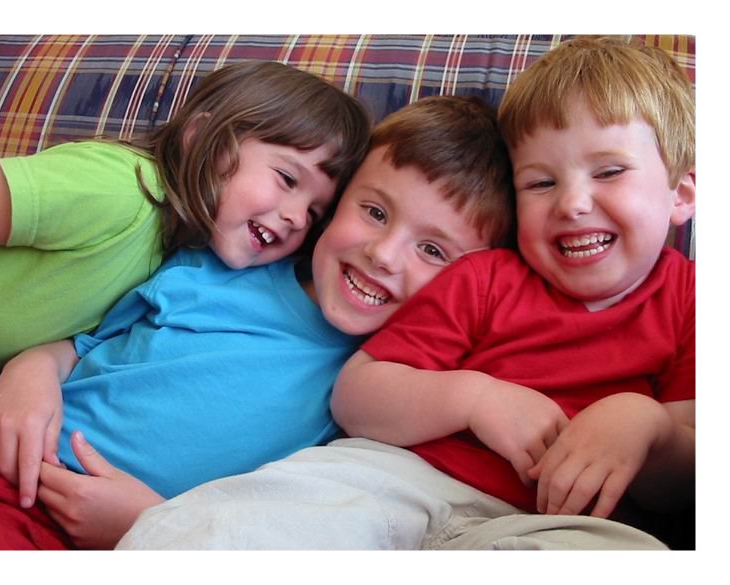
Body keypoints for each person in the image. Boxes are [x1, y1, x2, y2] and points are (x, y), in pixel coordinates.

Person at [117, 37, 694, 551]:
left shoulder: (694, 302)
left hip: (560, 525)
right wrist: (473, 397)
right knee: (219, 530)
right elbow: (356, 395)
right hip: (392, 480)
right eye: (541, 182)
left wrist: (648, 426)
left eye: (609, 172)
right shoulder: (484, 277)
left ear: (684, 193)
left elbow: (694, 481)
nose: (571, 203)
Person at [0, 94, 516, 549]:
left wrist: (150, 521)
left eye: (432, 250)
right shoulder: (216, 270)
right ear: (337, 203)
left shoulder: (387, 394)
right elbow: (82, 345)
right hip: (3, 462)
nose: (383, 253)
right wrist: (29, 372)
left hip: (134, 538)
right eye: (374, 212)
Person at [0, 60, 371, 378]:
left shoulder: (189, 263)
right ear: (202, 137)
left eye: (315, 212)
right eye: (287, 178)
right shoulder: (117, 187)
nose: (297, 218)